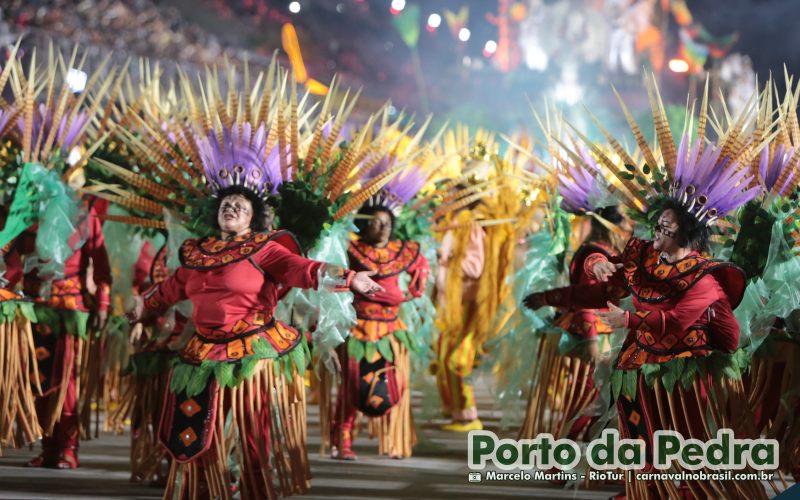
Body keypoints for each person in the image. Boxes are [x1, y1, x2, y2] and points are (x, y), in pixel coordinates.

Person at [128, 185, 384, 499]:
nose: (231, 208)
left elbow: (301, 269)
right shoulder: (199, 252)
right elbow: (173, 287)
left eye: (240, 205)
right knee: (199, 427)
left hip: (251, 349)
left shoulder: (263, 248)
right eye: (226, 203)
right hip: (203, 352)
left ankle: (255, 489)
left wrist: (349, 277)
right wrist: (143, 305)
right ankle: (207, 488)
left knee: (251, 431)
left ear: (253, 218)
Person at [330, 202, 429, 460]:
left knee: (393, 383)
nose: (383, 227)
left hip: (391, 330)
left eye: (387, 222)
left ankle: (394, 440)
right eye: (375, 222)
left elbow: (422, 265)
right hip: (358, 328)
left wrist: (413, 292)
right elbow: (334, 275)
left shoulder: (402, 250)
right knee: (351, 386)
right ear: (365, 225)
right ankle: (342, 440)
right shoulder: (351, 248)